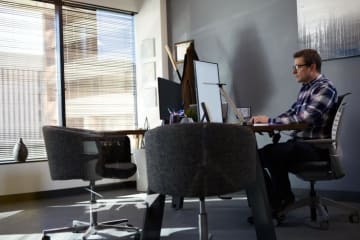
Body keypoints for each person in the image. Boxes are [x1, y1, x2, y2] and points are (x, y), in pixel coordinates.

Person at [250, 48, 338, 215]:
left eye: (298, 67)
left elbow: (304, 119)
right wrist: (268, 124)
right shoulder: (307, 88)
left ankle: (278, 202)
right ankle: (280, 200)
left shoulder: (325, 88)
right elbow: (292, 114)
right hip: (302, 145)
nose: (293, 71)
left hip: (316, 149)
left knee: (267, 154)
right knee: (264, 155)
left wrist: (269, 122)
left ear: (312, 67)